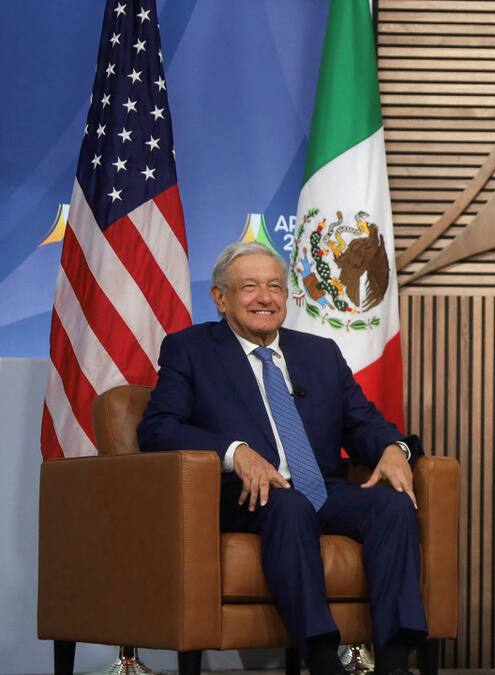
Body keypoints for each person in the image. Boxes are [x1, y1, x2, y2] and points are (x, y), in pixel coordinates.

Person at [138, 241, 425, 675]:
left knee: (392, 504)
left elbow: (362, 421)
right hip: (245, 495)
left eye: (274, 286)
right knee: (287, 504)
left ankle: (393, 658)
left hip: (322, 488)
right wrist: (235, 453)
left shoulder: (319, 352)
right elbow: (158, 428)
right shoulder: (191, 350)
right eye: (249, 287)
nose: (265, 297)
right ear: (221, 298)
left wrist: (392, 449)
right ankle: (322, 656)